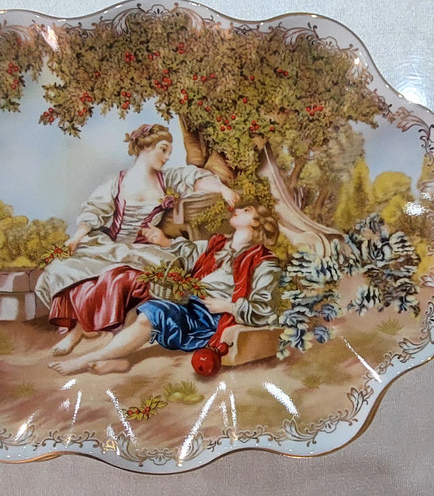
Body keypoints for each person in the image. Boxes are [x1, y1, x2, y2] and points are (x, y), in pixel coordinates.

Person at [35, 123, 240, 355]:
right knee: (63, 268)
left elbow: (196, 178)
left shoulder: (167, 179)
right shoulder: (117, 183)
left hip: (144, 251)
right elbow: (94, 211)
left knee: (118, 277)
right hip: (112, 247)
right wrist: (76, 239)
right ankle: (79, 330)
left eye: (169, 152)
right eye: (163, 150)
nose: (167, 157)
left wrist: (222, 189)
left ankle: (92, 334)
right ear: (146, 147)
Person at [48, 203, 281, 375]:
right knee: (136, 295)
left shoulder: (264, 262)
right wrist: (164, 241)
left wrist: (227, 306)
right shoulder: (218, 244)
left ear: (256, 222)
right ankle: (120, 360)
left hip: (210, 314)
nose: (237, 210)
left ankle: (86, 359)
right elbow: (190, 253)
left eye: (246, 210)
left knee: (151, 314)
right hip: (190, 299)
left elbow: (265, 308)